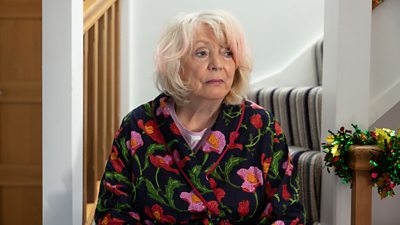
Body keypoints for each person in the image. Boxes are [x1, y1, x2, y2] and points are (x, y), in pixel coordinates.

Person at [95, 10, 305, 225]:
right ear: (175, 63)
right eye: (202, 53)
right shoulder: (138, 125)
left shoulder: (261, 125)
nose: (217, 64)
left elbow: (288, 214)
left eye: (227, 53)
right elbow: (112, 211)